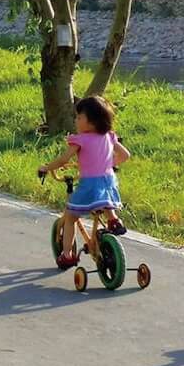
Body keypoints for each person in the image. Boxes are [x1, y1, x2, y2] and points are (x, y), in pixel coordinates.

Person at [37, 95, 130, 268]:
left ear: (92, 122)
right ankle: (114, 220)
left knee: (71, 217)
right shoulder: (109, 136)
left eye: (79, 117)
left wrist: (47, 167)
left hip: (89, 185)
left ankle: (67, 255)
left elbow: (64, 160)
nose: (76, 120)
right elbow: (125, 155)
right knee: (104, 201)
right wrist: (107, 164)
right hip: (109, 181)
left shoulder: (81, 140)